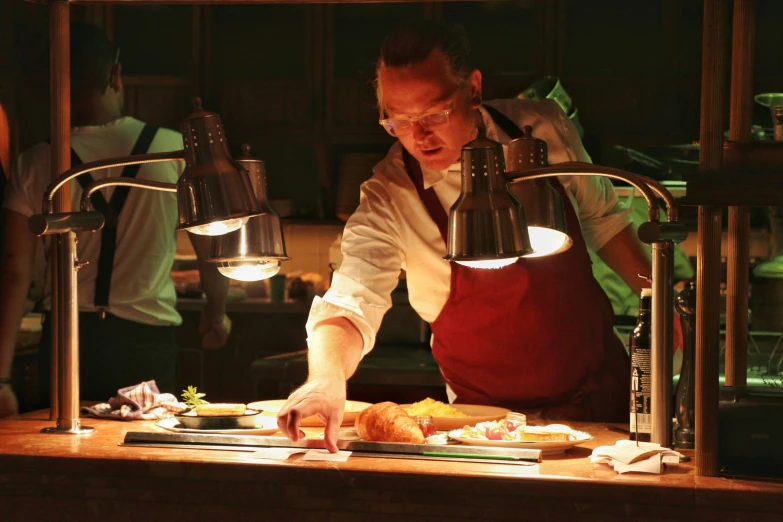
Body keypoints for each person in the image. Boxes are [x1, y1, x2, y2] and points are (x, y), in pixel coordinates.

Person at [278, 19, 668, 451]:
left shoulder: (544, 130)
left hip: (600, 405)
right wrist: (326, 379)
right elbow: (352, 301)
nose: (420, 136)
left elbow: (604, 221)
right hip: (483, 428)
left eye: (434, 113)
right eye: (399, 122)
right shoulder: (390, 194)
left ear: (474, 90)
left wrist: (662, 301)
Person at [0, 22, 230, 418]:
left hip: (68, 341)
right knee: (140, 456)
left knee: (61, 457)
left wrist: (1, 379)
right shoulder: (174, 151)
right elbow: (213, 249)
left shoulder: (37, 161)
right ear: (115, 75)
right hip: (145, 341)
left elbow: (12, 272)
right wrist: (217, 312)